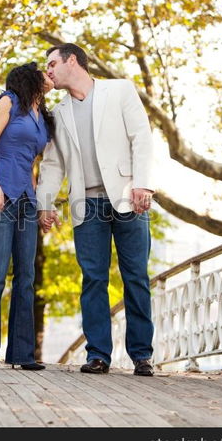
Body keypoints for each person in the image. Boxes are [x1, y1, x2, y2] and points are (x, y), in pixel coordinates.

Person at [36, 43, 156, 376]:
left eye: (51, 64)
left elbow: (141, 138)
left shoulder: (119, 90)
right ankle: (98, 354)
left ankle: (142, 355)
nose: (48, 71)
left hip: (128, 197)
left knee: (136, 277)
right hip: (86, 204)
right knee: (93, 279)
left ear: (71, 61)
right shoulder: (58, 112)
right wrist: (44, 203)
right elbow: (52, 164)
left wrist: (142, 184)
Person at [0, 62, 55, 370]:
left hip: (26, 199)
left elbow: (32, 163)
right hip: (0, 194)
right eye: (43, 71)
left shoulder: (41, 116)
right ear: (29, 77)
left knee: (27, 276)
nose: (49, 75)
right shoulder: (9, 101)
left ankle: (22, 354)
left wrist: (37, 205)